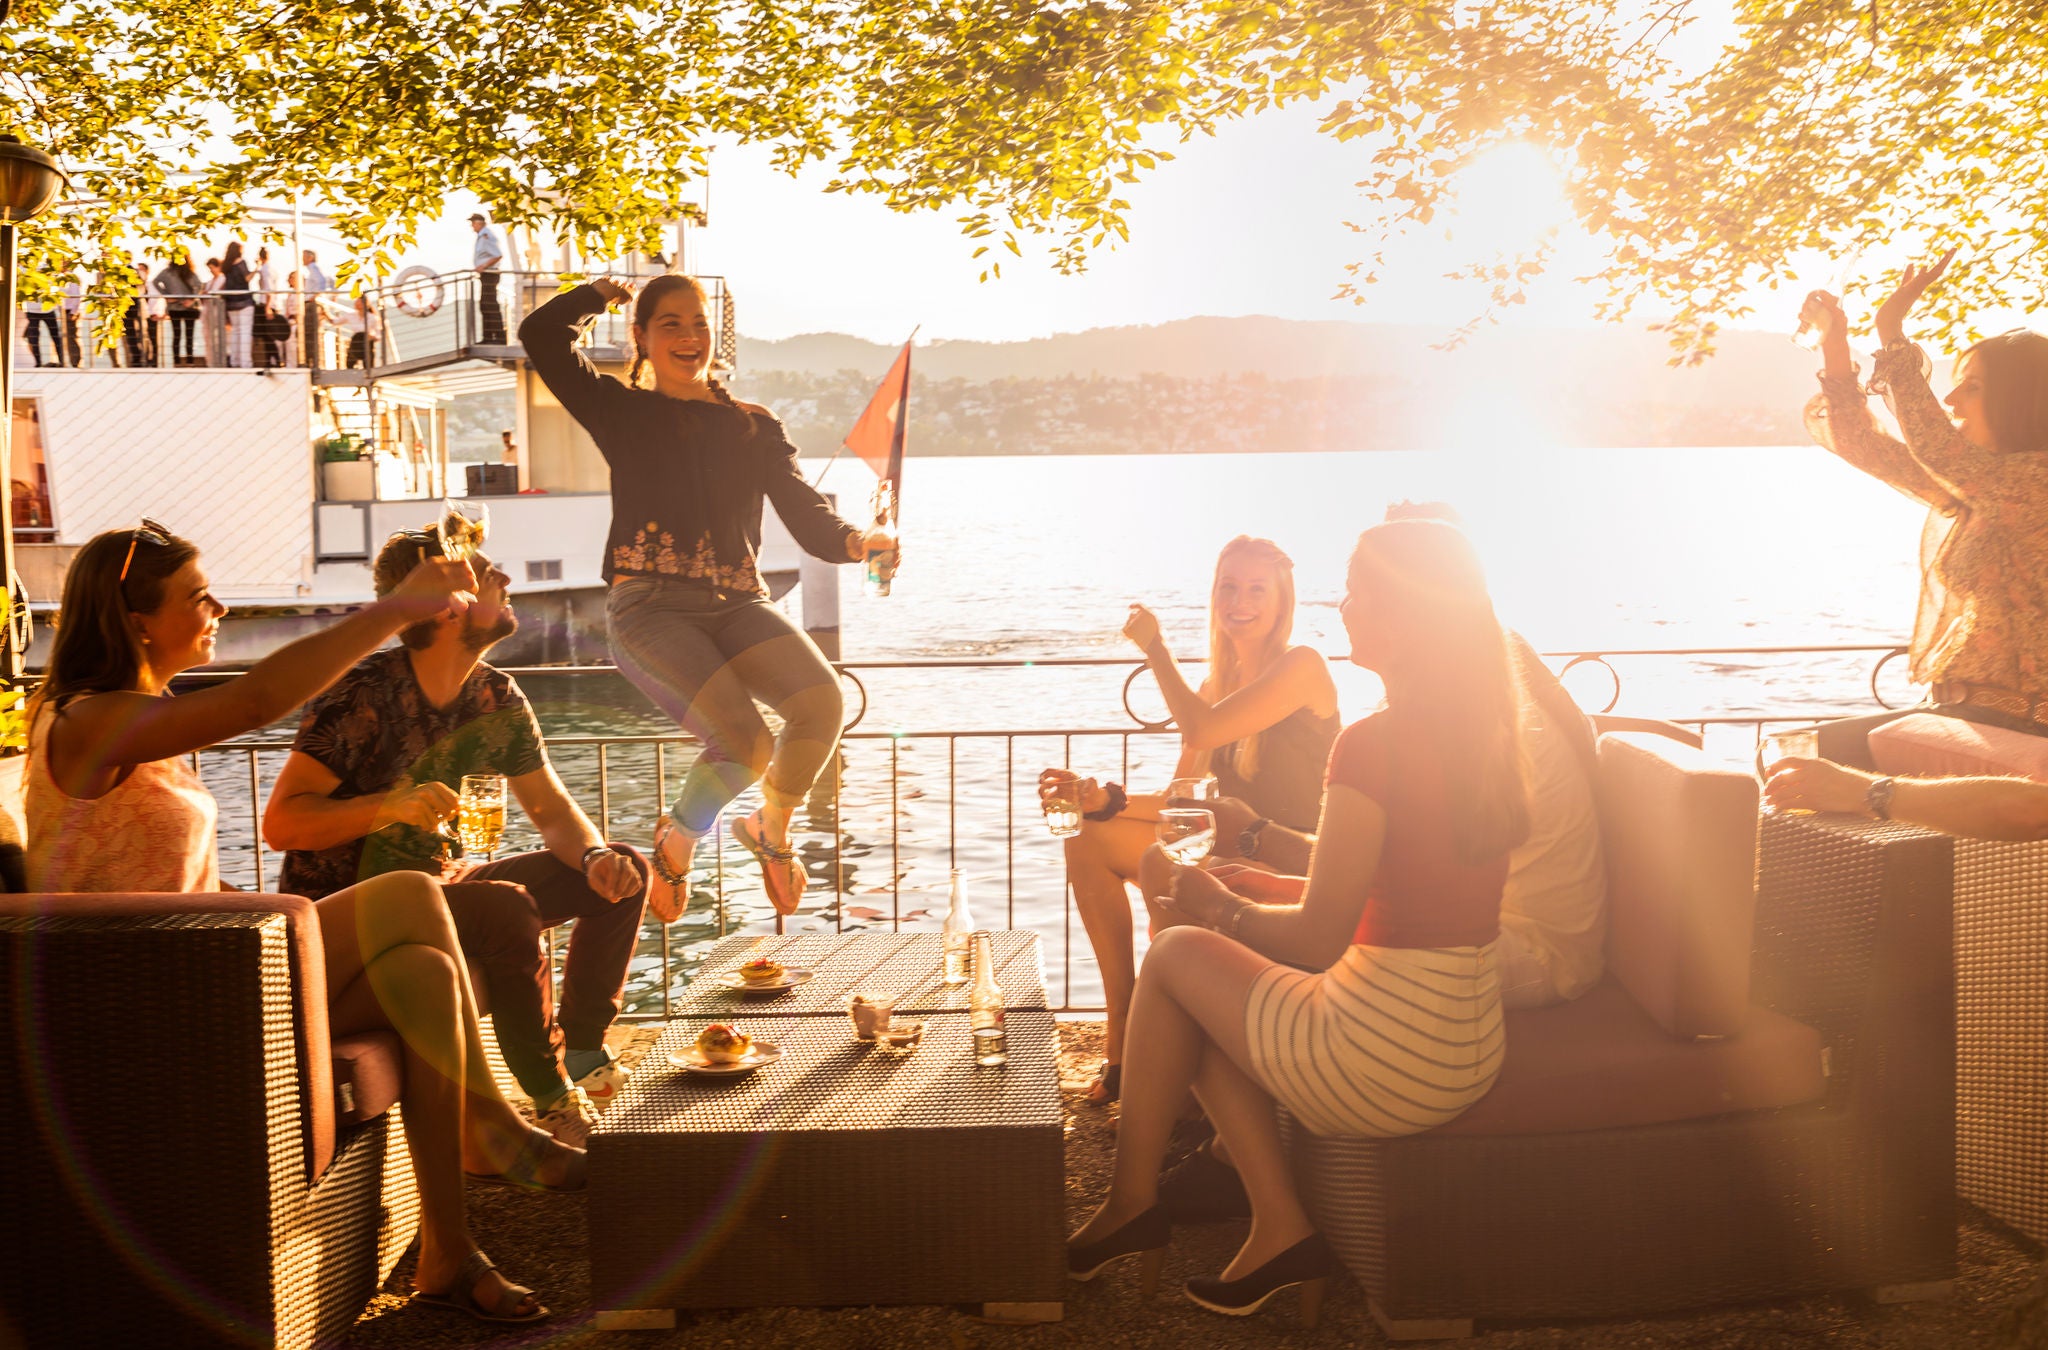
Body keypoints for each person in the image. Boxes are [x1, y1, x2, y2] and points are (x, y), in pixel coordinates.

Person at [25, 520, 568, 1325]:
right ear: (135, 618)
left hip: (196, 980)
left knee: (424, 968)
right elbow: (256, 700)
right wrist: (395, 611)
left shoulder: (141, 719)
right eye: (196, 596)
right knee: (412, 895)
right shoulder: (85, 722)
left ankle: (450, 1252)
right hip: (138, 1011)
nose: (220, 606)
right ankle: (490, 1123)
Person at [1064, 519, 1526, 1323]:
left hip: (1384, 1056)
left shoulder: (1373, 743)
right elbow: (1392, 866)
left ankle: (1135, 1207)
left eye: (1357, 591)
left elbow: (1316, 939)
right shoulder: (1484, 733)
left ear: (1404, 613)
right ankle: (1271, 1226)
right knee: (1204, 973)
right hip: (1467, 1045)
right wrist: (1263, 845)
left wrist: (1217, 905)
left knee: (1177, 957)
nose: (1342, 607)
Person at [519, 274, 895, 922]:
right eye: (671, 324)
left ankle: (770, 829)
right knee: (744, 742)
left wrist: (859, 541)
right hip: (651, 606)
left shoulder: (752, 427)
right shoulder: (620, 409)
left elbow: (806, 513)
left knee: (822, 703)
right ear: (640, 337)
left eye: (698, 324)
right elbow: (540, 338)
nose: (690, 337)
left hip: (738, 602)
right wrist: (596, 296)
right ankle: (678, 838)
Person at [265, 526, 649, 1145]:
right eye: (485, 574)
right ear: (443, 604)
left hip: (446, 886)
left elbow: (550, 808)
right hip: (361, 909)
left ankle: (584, 1053)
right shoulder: (361, 694)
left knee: (624, 873)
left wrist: (597, 854)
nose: (504, 581)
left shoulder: (496, 695)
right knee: (503, 907)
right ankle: (551, 1099)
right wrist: (389, 807)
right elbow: (282, 823)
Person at [1041, 535, 1339, 1105]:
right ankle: (1123, 1033)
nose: (1239, 601)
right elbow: (1184, 802)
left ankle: (1180, 1069)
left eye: (1256, 589)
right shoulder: (1214, 688)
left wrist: (1155, 649)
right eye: (1228, 587)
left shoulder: (1303, 667)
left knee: (1162, 861)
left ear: (1282, 602)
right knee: (1087, 835)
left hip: (1283, 855)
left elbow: (1199, 731)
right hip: (1225, 844)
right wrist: (1104, 798)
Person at [1802, 252, 2048, 777]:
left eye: (1973, 387)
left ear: (2023, 400)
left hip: (2021, 730)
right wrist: (1836, 342)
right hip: (1965, 721)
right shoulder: (1979, 490)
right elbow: (1864, 445)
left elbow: (1935, 446)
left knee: (1812, 757)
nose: (1953, 399)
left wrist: (1890, 331)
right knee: (1796, 753)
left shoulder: (2037, 483)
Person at [153, 252, 203, 367]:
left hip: (187, 307)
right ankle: (180, 361)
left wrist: (191, 300)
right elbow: (155, 282)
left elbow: (199, 285)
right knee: (179, 335)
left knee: (185, 335)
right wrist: (166, 296)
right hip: (177, 307)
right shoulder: (168, 272)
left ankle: (186, 361)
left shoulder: (187, 272)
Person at [469, 213, 506, 344]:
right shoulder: (482, 236)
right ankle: (489, 337)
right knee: (485, 305)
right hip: (486, 274)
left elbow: (497, 255)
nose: (472, 226)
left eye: (473, 223)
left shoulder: (486, 236)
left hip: (490, 273)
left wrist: (483, 266)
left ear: (479, 223)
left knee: (490, 305)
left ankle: (499, 337)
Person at [220, 241, 254, 368]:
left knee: (235, 332)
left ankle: (235, 361)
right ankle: (246, 362)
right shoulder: (241, 262)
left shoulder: (226, 266)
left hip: (231, 303)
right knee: (245, 332)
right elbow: (247, 278)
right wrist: (257, 268)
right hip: (244, 301)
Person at [23, 287, 62, 367]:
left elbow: (56, 290)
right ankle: (37, 362)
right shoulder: (27, 276)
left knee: (56, 337)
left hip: (48, 310)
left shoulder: (50, 275)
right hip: (31, 311)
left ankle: (62, 361)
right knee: (33, 339)